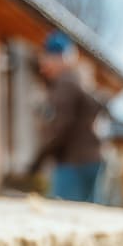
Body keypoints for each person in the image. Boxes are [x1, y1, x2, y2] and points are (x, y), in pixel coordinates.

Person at [28, 32, 105, 203]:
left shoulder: (66, 83)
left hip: (75, 161)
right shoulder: (79, 79)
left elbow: (59, 127)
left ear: (61, 59)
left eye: (47, 57)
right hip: (90, 157)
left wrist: (39, 159)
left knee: (64, 211)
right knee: (86, 211)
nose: (43, 64)